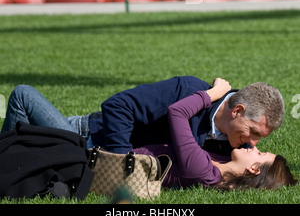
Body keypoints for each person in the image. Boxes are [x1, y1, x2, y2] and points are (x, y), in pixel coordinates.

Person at [1, 76, 285, 159]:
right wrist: (121, 163)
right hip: (83, 136)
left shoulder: (232, 144)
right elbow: (117, 106)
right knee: (24, 96)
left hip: (89, 152)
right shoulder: (188, 91)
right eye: (254, 133)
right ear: (238, 111)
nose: (253, 144)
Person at [132, 79, 297, 190]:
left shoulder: (201, 169)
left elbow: (177, 112)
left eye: (260, 153)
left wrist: (214, 93)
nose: (253, 146)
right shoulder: (223, 166)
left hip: (119, 161)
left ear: (253, 169)